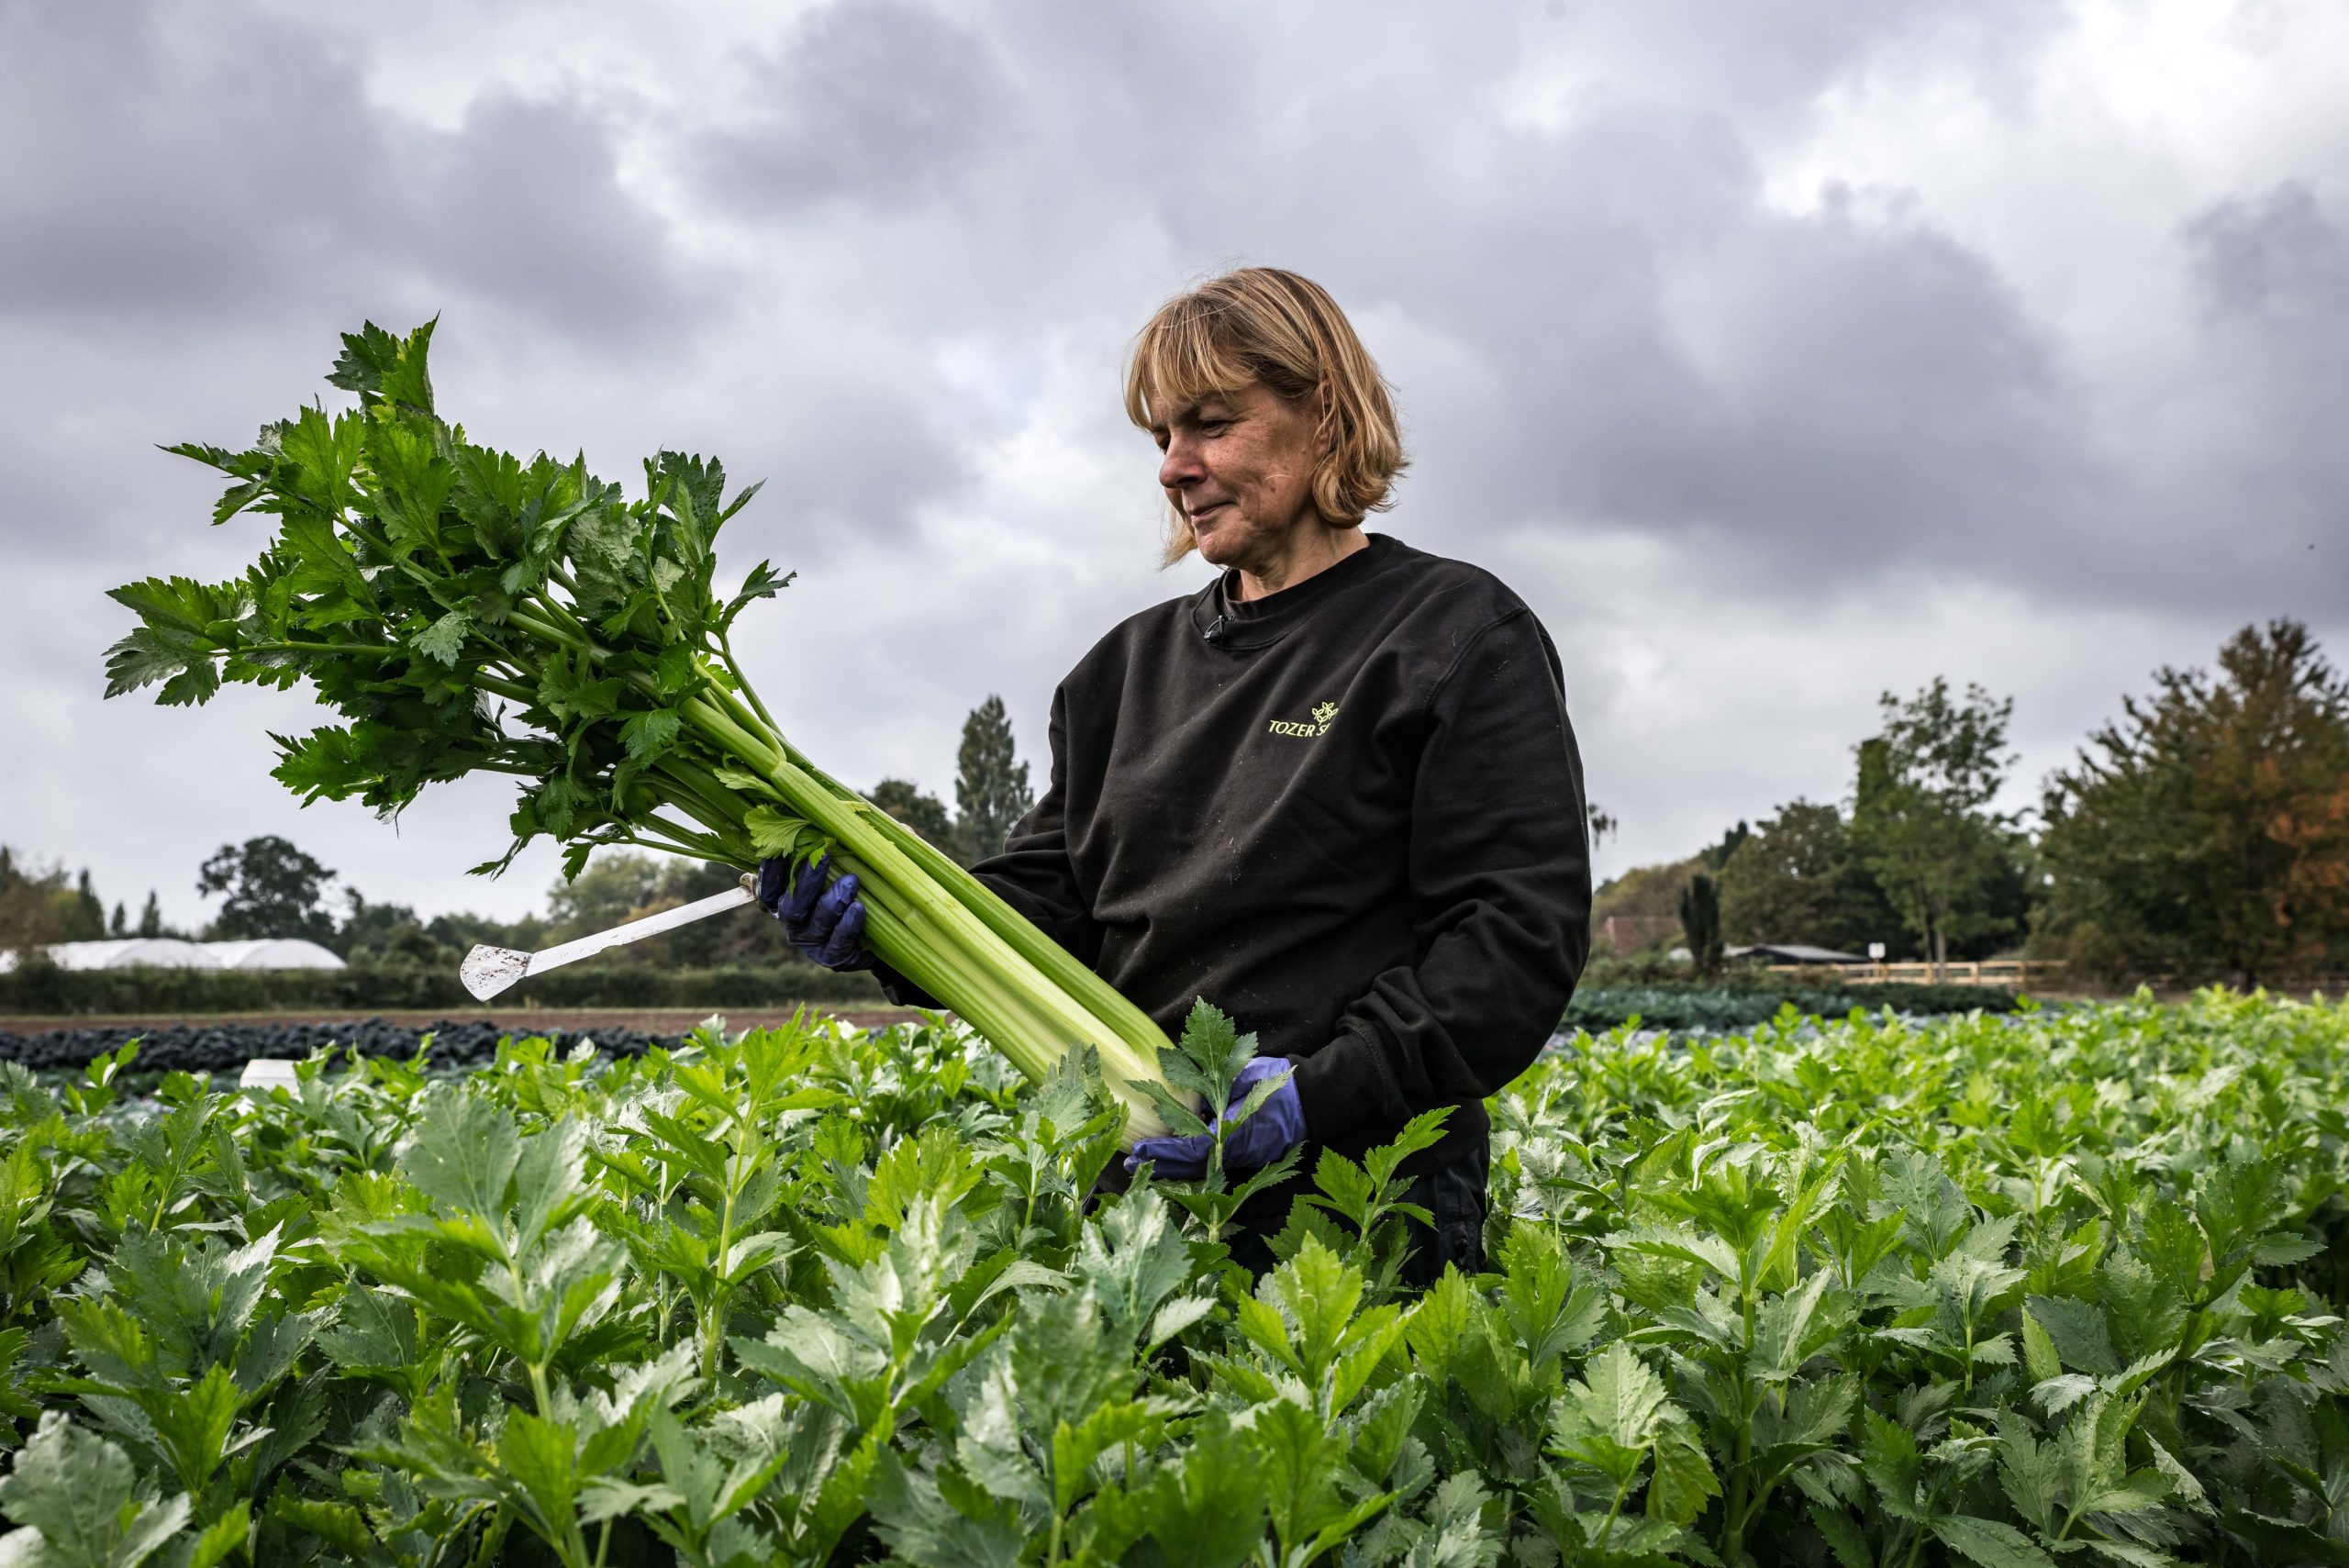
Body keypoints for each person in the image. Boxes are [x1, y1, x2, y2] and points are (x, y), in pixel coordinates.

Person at [761, 267, 1590, 1284]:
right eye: (1160, 436)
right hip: (1138, 1209)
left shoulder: (1448, 635)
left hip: (1367, 1199)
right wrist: (886, 915)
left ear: (1324, 413)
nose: (1172, 467)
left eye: (1208, 424)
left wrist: (1316, 1095)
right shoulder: (1120, 671)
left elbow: (1512, 941)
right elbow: (1052, 900)